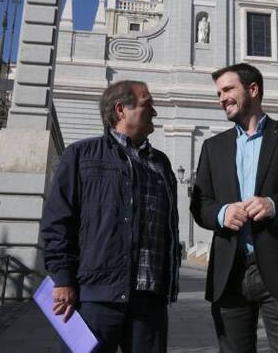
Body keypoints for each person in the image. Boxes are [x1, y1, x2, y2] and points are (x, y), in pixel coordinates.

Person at [41, 80, 180, 353]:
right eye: (147, 105)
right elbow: (58, 221)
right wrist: (63, 278)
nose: (154, 112)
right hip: (94, 298)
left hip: (149, 300)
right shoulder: (81, 155)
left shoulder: (161, 164)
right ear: (120, 110)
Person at [190, 63, 278, 353]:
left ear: (253, 89)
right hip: (230, 274)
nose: (221, 98)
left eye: (227, 89)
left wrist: (274, 204)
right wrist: (223, 214)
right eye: (218, 93)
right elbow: (201, 205)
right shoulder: (213, 147)